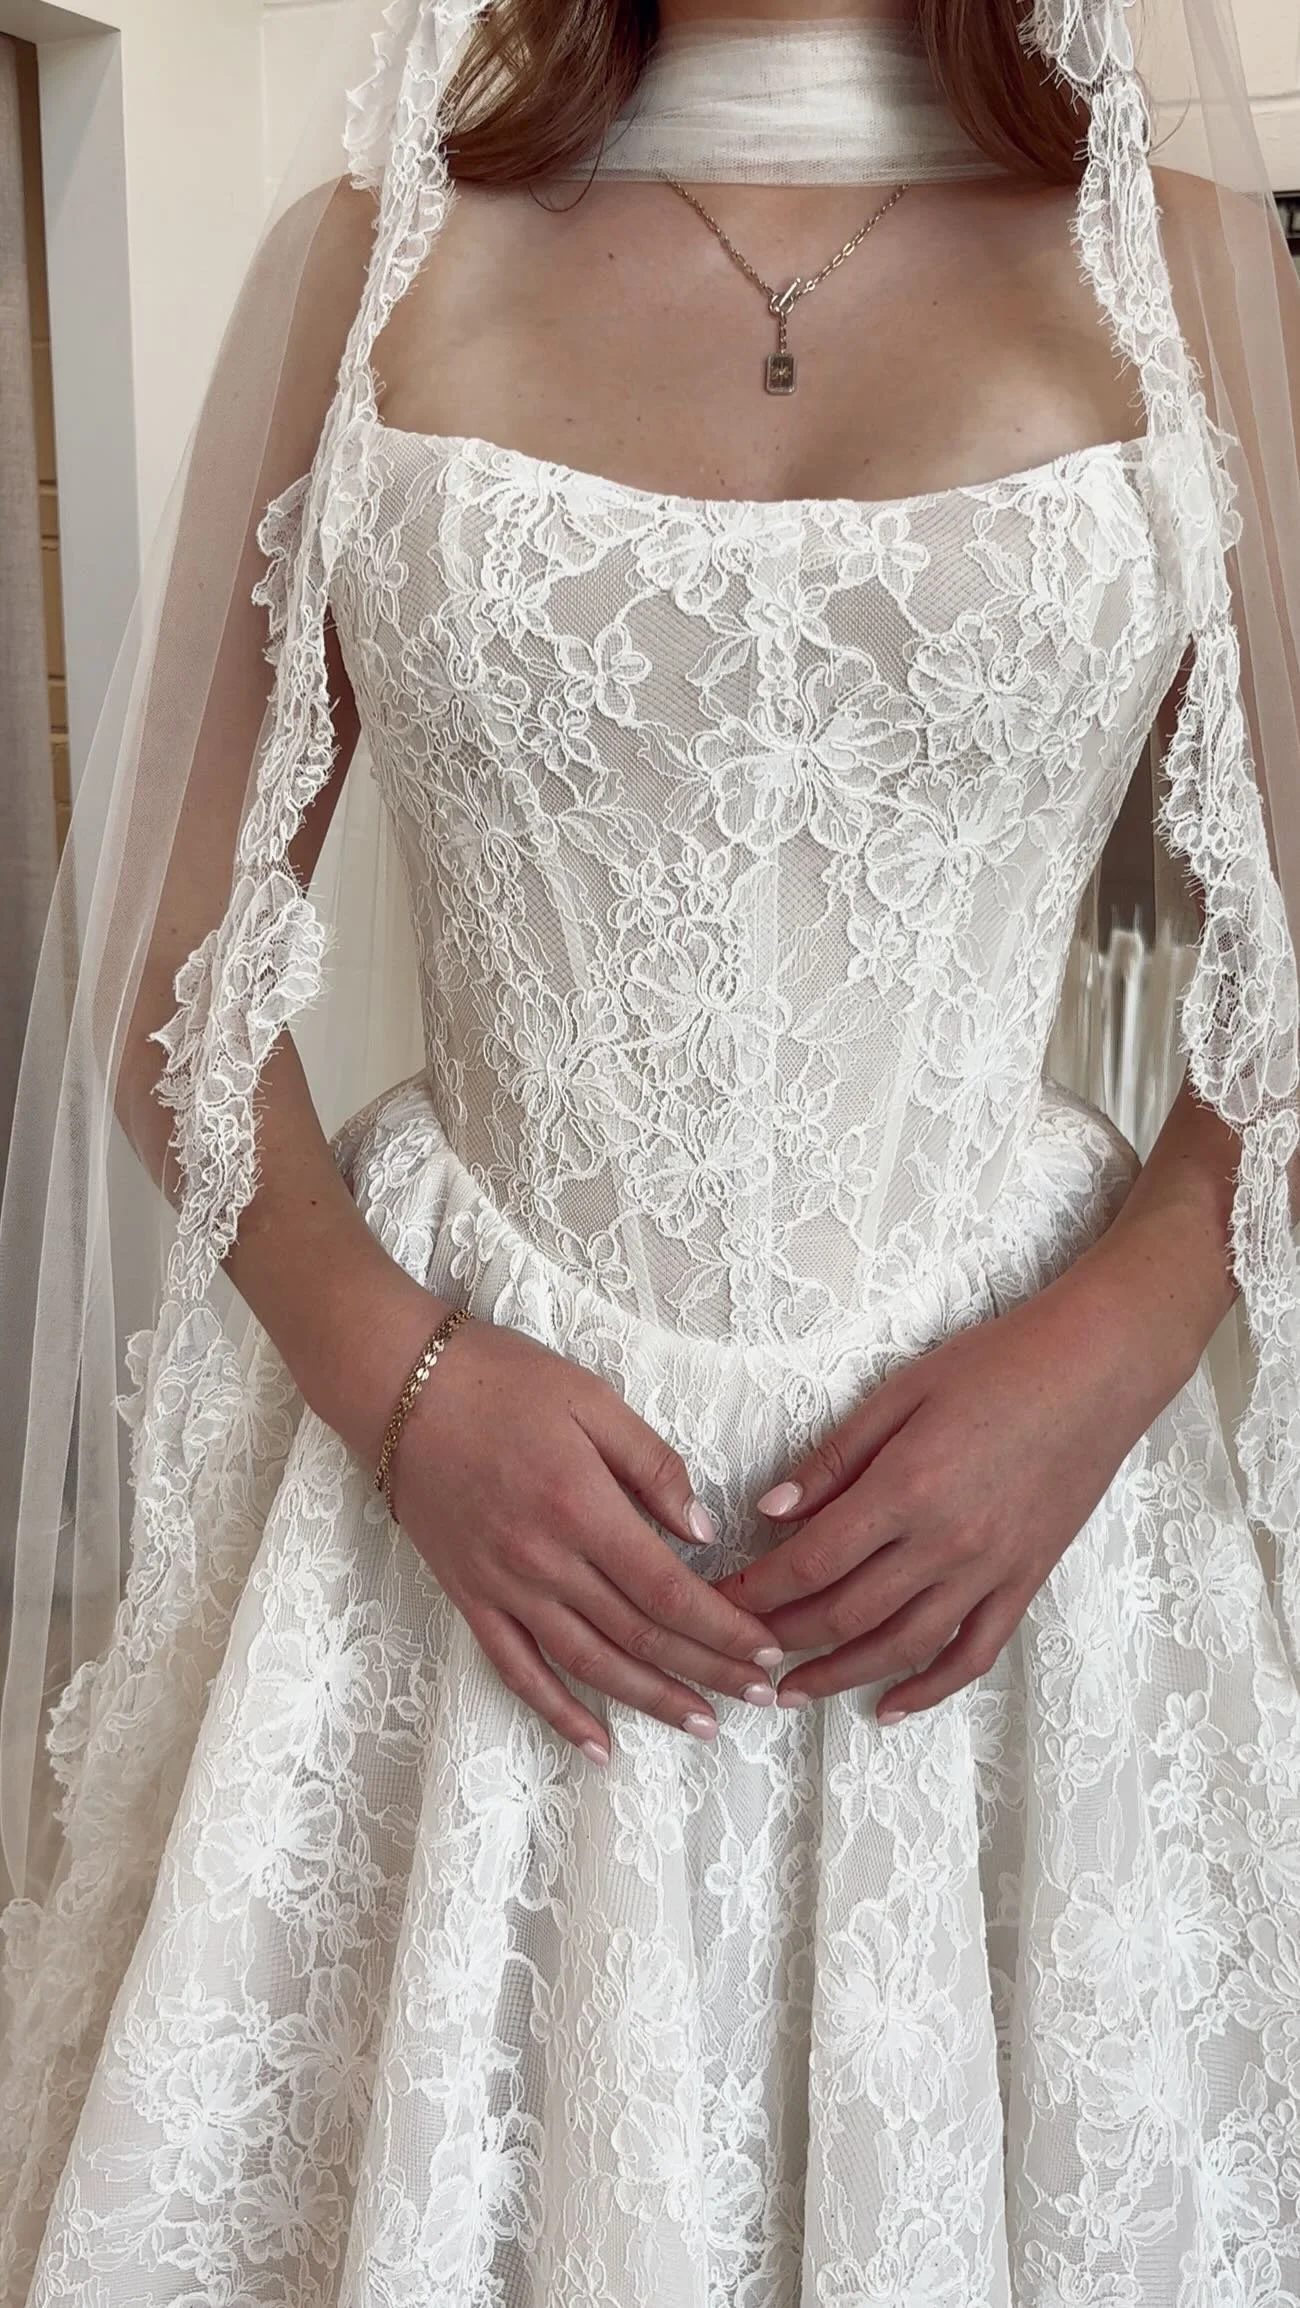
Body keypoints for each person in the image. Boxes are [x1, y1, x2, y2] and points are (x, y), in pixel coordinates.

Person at [3, 0, 1300, 2297]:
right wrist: (401, 1384)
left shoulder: (1179, 264)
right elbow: (165, 951)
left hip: (1010, 1522)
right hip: (458, 1509)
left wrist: (1108, 1346)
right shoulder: (370, 264)